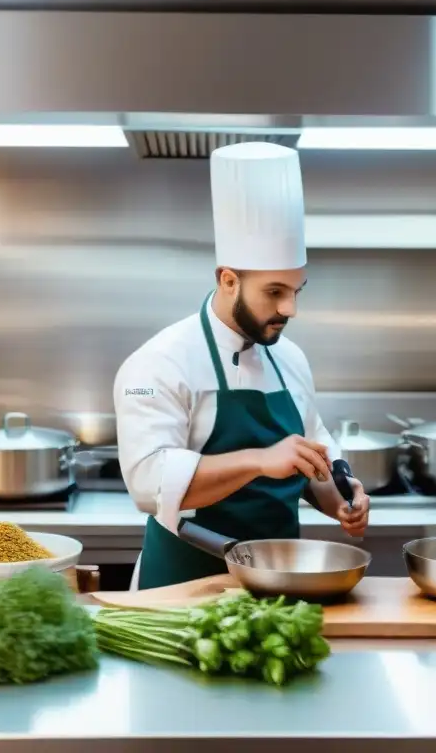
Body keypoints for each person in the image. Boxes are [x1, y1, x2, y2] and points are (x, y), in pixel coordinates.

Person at [114, 142, 371, 591]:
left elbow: (313, 447)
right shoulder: (161, 362)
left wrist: (340, 499)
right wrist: (259, 460)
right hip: (183, 588)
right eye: (274, 291)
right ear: (228, 280)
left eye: (297, 290)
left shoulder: (289, 356)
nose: (290, 308)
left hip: (277, 587)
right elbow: (149, 485)